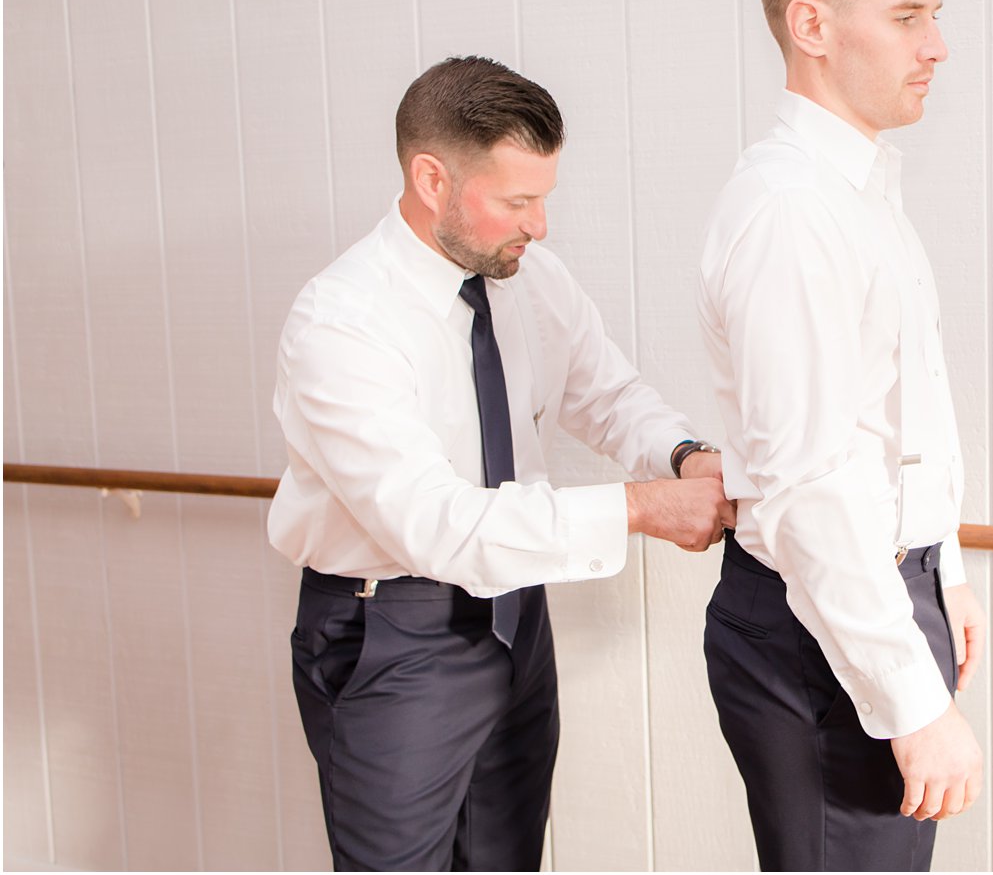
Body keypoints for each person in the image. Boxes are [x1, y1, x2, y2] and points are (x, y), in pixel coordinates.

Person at [269, 55, 733, 871]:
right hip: (394, 633)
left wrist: (685, 455)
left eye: (544, 197)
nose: (541, 225)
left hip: (517, 621)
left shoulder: (527, 276)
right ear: (431, 178)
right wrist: (639, 507)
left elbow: (606, 392)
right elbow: (435, 525)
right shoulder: (340, 324)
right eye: (518, 201)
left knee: (506, 859)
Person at [697, 0, 987, 872]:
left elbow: (896, 414)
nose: (936, 44)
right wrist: (911, 698)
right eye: (907, 16)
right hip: (818, 618)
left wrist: (940, 569)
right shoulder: (789, 212)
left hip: (882, 592)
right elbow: (807, 486)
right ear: (809, 25)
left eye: (933, 14)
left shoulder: (859, 195)